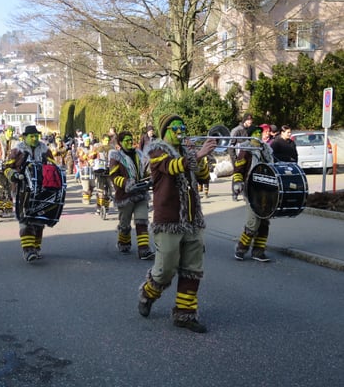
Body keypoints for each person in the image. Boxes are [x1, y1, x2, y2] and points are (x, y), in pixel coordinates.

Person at [137, 114, 216, 333]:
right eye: (176, 128)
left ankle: (185, 314)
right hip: (169, 220)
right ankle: (147, 293)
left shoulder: (186, 152)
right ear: (165, 131)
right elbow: (171, 167)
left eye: (182, 127)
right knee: (165, 270)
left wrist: (198, 157)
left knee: (192, 269)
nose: (181, 131)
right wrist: (196, 155)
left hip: (192, 220)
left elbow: (203, 176)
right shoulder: (156, 151)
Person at [3, 125, 58, 262]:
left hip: (42, 189)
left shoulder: (45, 149)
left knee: (40, 219)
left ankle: (36, 248)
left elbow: (53, 166)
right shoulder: (18, 149)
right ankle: (28, 250)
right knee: (25, 219)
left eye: (36, 136)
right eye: (31, 136)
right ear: (25, 137)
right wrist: (14, 175)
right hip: (22, 189)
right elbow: (7, 167)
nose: (34, 138)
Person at [109, 130, 154, 260]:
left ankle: (144, 250)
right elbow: (113, 176)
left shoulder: (139, 154)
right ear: (120, 143)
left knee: (142, 221)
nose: (130, 142)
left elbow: (146, 171)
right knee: (125, 224)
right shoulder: (116, 157)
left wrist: (150, 177)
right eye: (127, 140)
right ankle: (124, 243)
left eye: (131, 139)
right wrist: (126, 182)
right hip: (125, 196)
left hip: (140, 193)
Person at [232, 125, 275, 262]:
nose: (258, 135)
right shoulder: (246, 150)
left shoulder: (266, 150)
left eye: (259, 133)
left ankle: (258, 251)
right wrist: (238, 183)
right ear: (250, 135)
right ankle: (241, 248)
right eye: (255, 133)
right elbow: (238, 169)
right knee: (253, 222)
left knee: (264, 222)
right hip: (251, 190)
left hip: (265, 190)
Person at [0, 125, 19, 216]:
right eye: (9, 131)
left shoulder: (16, 141)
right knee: (0, 185)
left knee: (10, 187)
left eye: (12, 131)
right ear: (5, 131)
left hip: (11, 167)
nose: (11, 133)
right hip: (1, 165)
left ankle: (8, 207)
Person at [229, 113, 253, 200]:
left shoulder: (250, 130)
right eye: (248, 120)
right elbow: (230, 146)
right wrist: (234, 159)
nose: (250, 121)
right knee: (237, 175)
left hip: (248, 157)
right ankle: (235, 193)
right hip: (238, 158)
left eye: (251, 120)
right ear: (244, 120)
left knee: (246, 176)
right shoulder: (236, 130)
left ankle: (245, 193)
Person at [89, 133, 114, 215]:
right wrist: (92, 161)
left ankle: (106, 208)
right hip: (99, 171)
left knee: (108, 191)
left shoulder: (112, 148)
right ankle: (98, 208)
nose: (107, 142)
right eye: (105, 140)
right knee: (100, 190)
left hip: (110, 171)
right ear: (102, 140)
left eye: (108, 140)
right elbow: (90, 157)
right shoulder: (97, 148)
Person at [76, 134, 95, 204]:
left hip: (92, 169)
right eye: (86, 141)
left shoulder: (92, 148)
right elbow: (80, 157)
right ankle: (86, 200)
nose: (87, 142)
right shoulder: (80, 149)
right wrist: (86, 156)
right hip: (84, 169)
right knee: (86, 185)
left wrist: (94, 156)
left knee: (92, 185)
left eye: (88, 141)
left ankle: (88, 195)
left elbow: (95, 155)